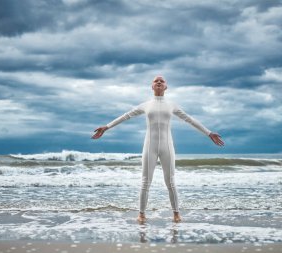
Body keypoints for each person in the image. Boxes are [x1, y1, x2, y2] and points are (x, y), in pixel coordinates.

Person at [91, 76, 224, 223]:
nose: (159, 82)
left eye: (162, 81)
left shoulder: (172, 105)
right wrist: (107, 127)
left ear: (166, 87)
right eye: (156, 81)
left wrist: (208, 133)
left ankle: (176, 214)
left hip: (167, 146)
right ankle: (141, 214)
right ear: (152, 86)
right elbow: (126, 116)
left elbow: (189, 119)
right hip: (150, 146)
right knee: (145, 181)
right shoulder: (146, 105)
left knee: (171, 182)